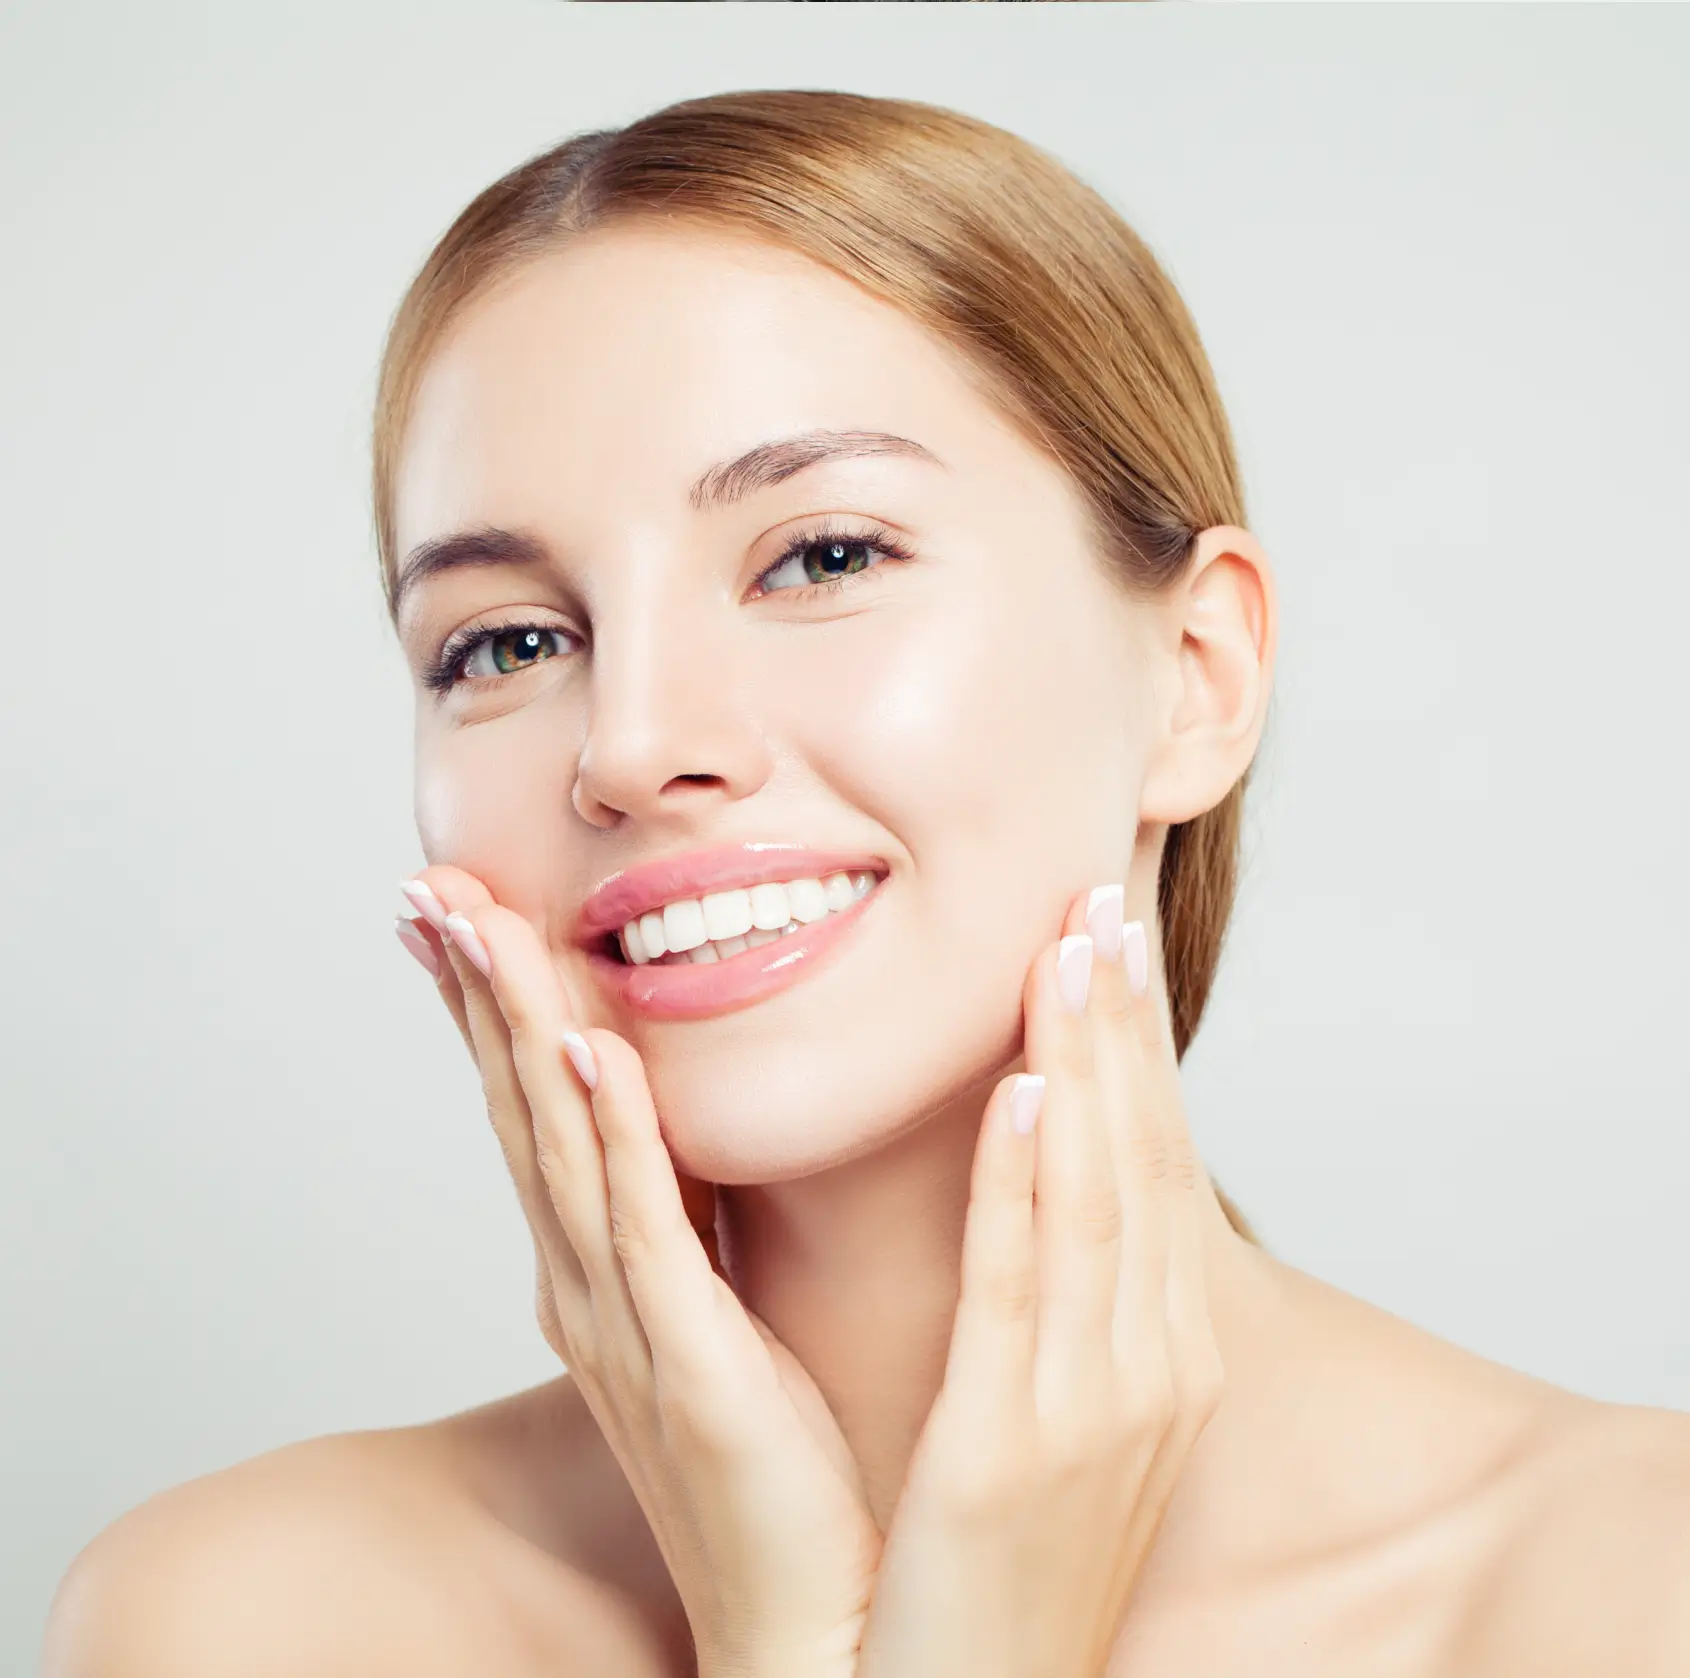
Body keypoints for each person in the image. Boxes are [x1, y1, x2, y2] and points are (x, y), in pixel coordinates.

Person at [45, 88, 1690, 1678]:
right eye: (510, 642)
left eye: (822, 555)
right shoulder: (247, 1619)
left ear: (1193, 673)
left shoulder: (1627, 1586)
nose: (628, 742)